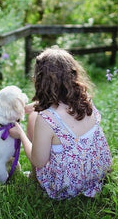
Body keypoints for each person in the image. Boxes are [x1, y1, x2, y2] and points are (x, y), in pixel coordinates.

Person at [9, 47, 112, 200]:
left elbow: (39, 161)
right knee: (36, 116)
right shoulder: (86, 100)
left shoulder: (47, 118)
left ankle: (34, 177)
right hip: (97, 173)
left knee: (33, 118)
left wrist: (21, 134)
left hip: (67, 185)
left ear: (41, 80)